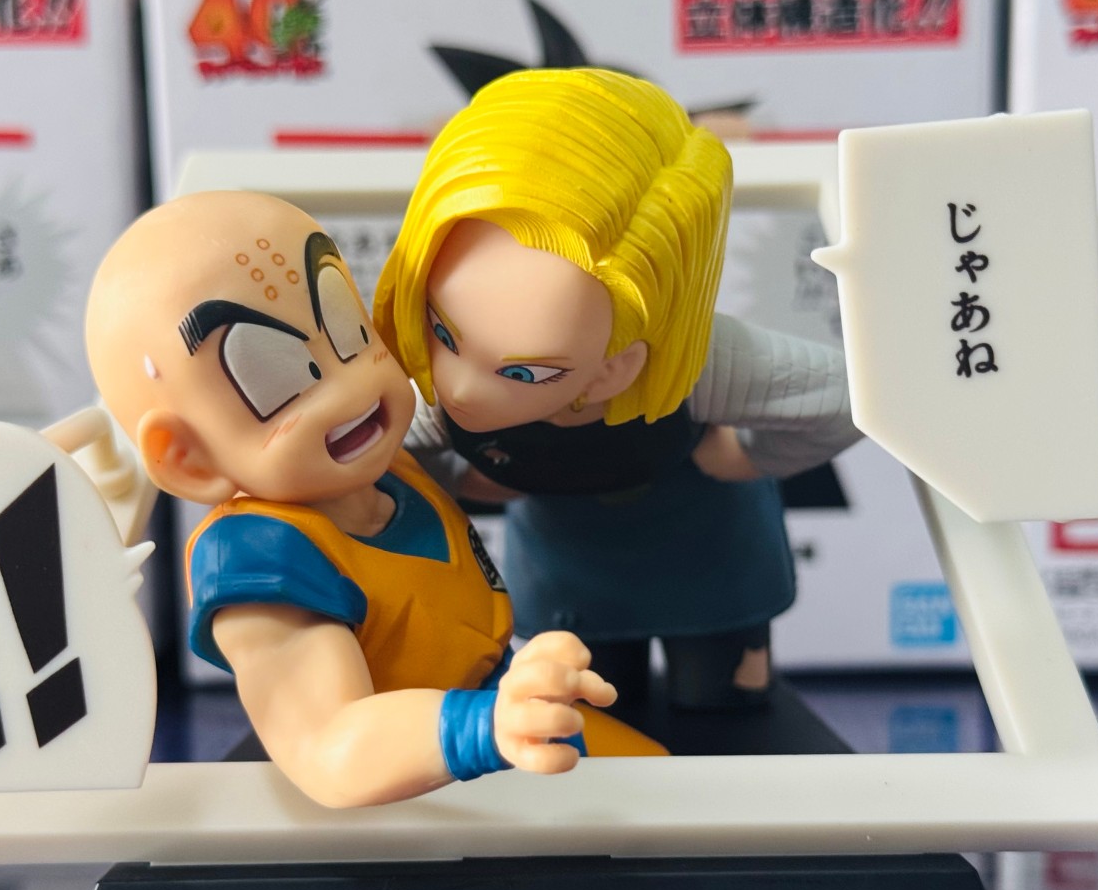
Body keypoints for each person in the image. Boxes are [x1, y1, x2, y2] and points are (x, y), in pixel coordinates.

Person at [85, 190, 659, 809]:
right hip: (425, 781)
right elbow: (331, 745)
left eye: (348, 332)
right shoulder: (261, 562)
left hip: (506, 710)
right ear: (188, 458)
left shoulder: (385, 468)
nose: (351, 385)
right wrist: (486, 727)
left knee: (671, 785)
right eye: (275, 378)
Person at [373, 68, 859, 711]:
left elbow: (845, 398)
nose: (457, 387)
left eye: (524, 372)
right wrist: (459, 480)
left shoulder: (700, 363)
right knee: (597, 708)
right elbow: (392, 452)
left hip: (705, 551)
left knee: (719, 704)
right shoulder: (435, 399)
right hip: (567, 563)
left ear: (616, 367)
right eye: (444, 333)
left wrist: (749, 456)